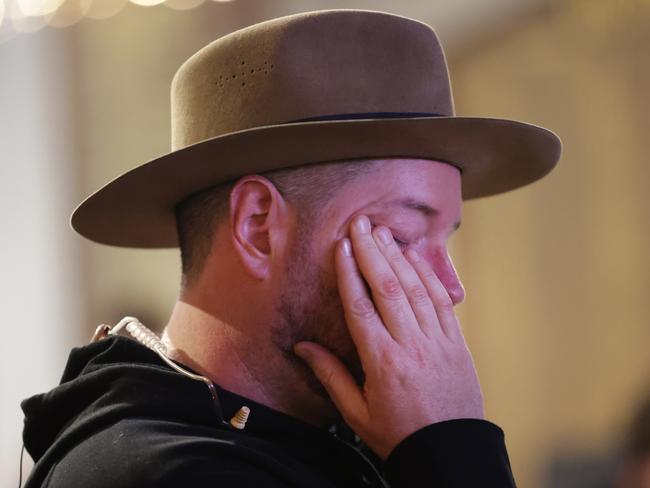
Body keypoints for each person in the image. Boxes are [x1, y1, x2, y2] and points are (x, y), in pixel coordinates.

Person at [21, 9, 562, 487]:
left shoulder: (324, 439)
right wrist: (453, 448)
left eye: (445, 239)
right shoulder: (164, 472)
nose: (449, 289)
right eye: (401, 237)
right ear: (258, 225)